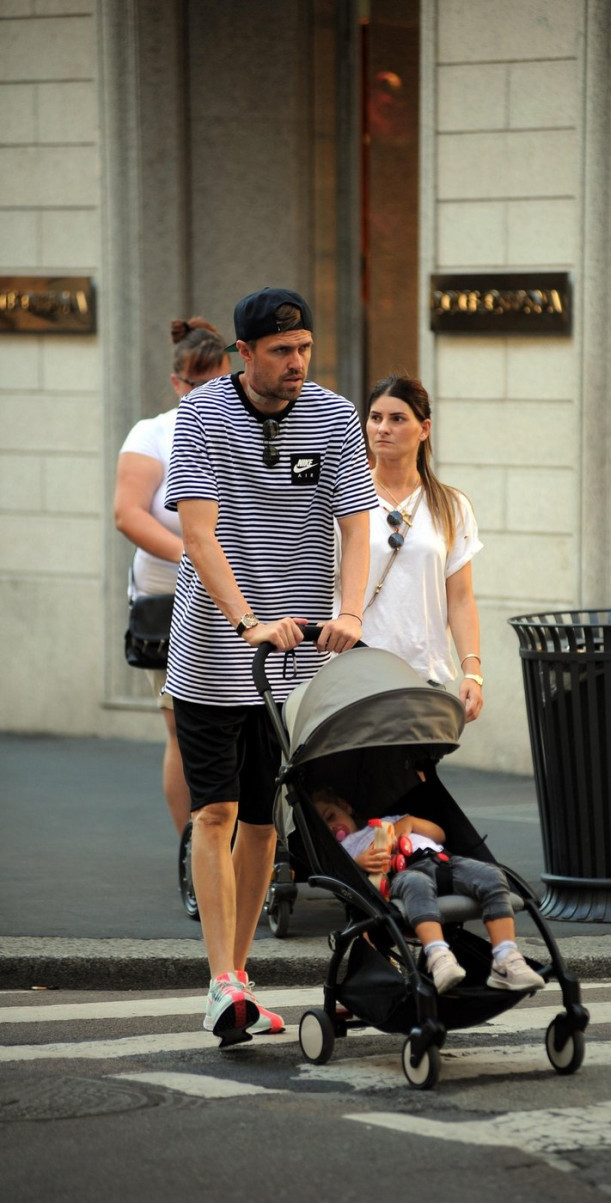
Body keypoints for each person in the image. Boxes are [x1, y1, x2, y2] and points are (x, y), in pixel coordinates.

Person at [164, 286, 376, 1047]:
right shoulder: (202, 416)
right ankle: (220, 980)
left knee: (263, 824)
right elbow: (198, 535)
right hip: (216, 652)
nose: (298, 363)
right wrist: (247, 620)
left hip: (297, 659)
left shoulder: (334, 414)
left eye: (306, 349)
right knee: (214, 812)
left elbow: (357, 527)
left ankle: (240, 977)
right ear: (243, 355)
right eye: (282, 351)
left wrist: (349, 612)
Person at [115, 318, 230, 835]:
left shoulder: (244, 428)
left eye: (219, 382)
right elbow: (129, 513)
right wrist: (196, 556)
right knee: (182, 727)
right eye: (197, 385)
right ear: (176, 383)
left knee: (245, 727)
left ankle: (240, 836)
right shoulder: (154, 433)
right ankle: (194, 845)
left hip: (242, 593)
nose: (209, 394)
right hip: (171, 599)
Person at [312, 788, 545, 995]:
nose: (334, 828)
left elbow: (439, 835)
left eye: (331, 817)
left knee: (491, 875)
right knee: (416, 884)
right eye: (326, 829)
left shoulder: (389, 821)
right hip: (402, 875)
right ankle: (438, 957)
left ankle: (506, 959)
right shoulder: (344, 850)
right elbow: (345, 878)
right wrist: (359, 863)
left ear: (345, 807)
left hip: (443, 862)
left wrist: (409, 823)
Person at [359, 374, 484, 721]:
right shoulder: (349, 499)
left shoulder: (451, 505)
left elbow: (460, 599)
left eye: (397, 419)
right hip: (355, 672)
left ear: (424, 429)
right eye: (375, 417)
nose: (382, 428)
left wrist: (472, 670)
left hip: (422, 676)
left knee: (418, 775)